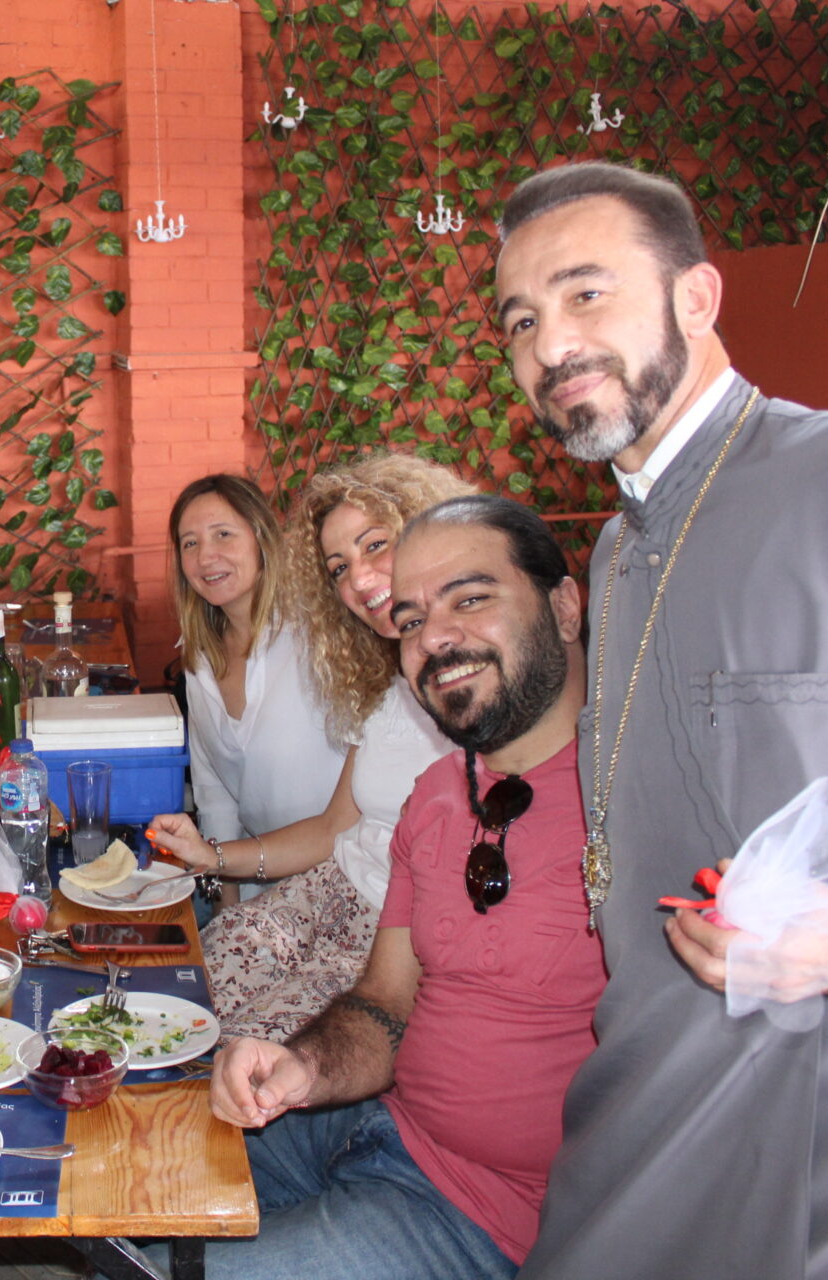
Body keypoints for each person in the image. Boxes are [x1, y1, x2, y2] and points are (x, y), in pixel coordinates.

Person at [494, 162, 828, 1278]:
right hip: (654, 1104)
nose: (551, 344)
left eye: (586, 294)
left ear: (697, 297)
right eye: (520, 321)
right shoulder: (619, 549)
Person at [204, 496, 605, 1279]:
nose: (436, 638)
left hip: (482, 1215)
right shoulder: (438, 795)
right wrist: (306, 1066)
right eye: (414, 618)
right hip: (378, 1127)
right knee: (144, 1176)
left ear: (565, 605)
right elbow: (386, 1004)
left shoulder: (632, 808)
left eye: (470, 599)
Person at [151, 457, 473, 1042]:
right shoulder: (380, 678)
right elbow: (327, 825)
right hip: (317, 887)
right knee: (173, 1003)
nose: (360, 578)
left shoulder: (469, 679)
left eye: (375, 545)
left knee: (233, 1045)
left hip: (380, 923)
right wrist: (213, 864)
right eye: (339, 567)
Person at [167, 475, 346, 900]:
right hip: (255, 882)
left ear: (262, 538)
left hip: (346, 879)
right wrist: (226, 910)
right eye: (190, 543)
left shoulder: (320, 636)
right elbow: (214, 795)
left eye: (223, 534)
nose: (205, 556)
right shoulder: (200, 656)